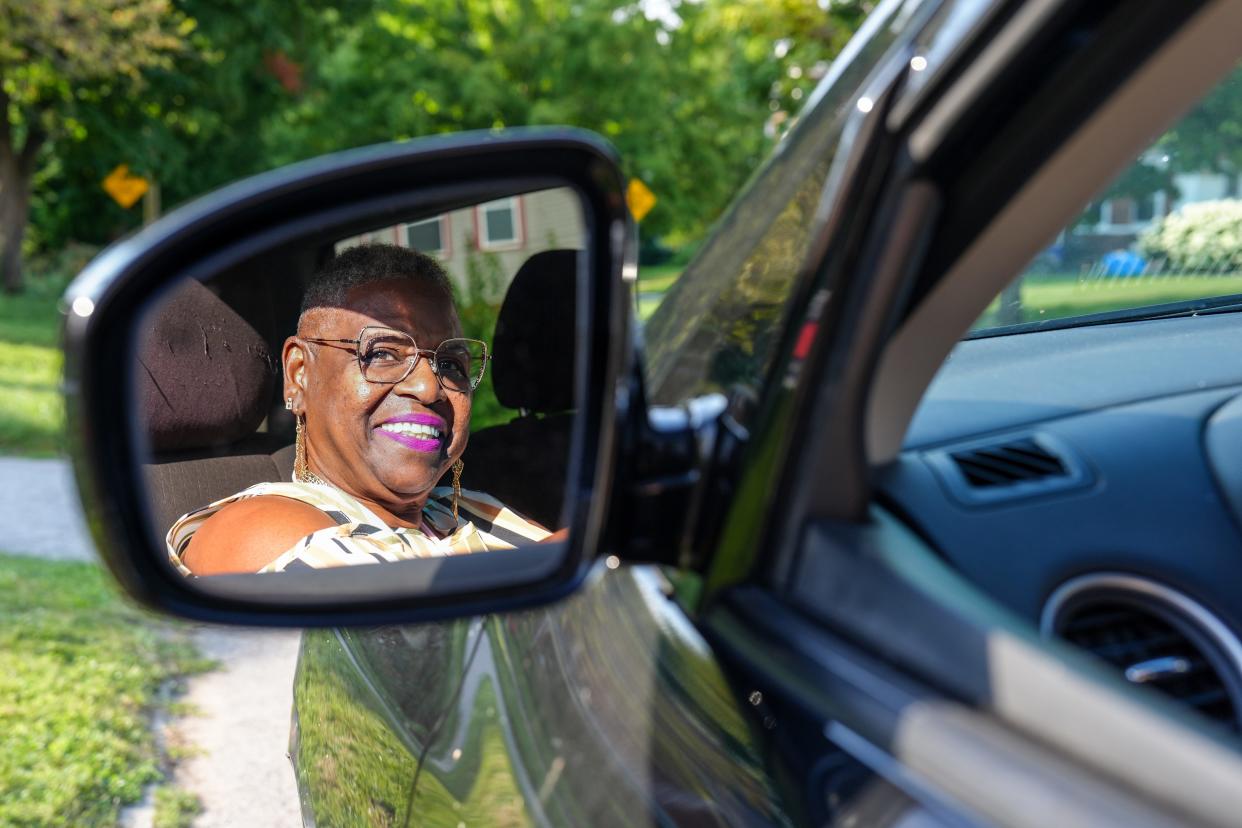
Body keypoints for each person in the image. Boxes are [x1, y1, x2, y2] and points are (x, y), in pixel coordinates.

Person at [167, 243, 552, 576]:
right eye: (382, 353)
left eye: (450, 363)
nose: (429, 386)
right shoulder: (257, 530)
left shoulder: (469, 509)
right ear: (300, 374)